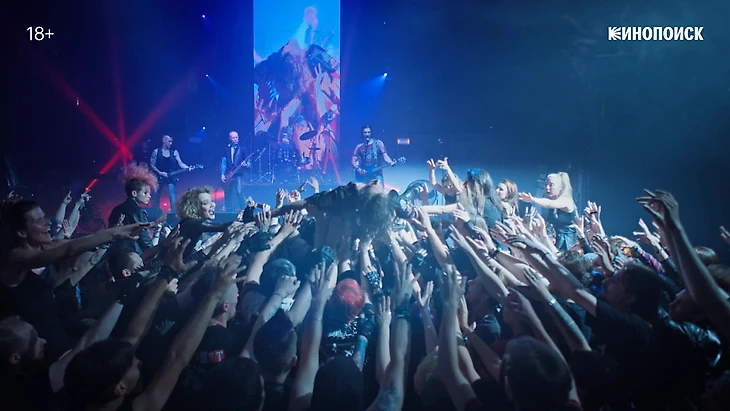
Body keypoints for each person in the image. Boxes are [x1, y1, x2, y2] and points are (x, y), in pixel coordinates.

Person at [108, 162, 159, 252]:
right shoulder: (139, 212)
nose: (149, 196)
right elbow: (146, 244)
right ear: (134, 193)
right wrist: (157, 234)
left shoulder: (116, 209)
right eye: (145, 193)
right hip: (134, 255)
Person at [150, 135, 193, 213]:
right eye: (169, 141)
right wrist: (160, 173)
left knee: (173, 198)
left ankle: (174, 215)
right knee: (156, 198)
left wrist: (188, 167)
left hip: (170, 177)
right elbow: (152, 165)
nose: (171, 143)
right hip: (159, 177)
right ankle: (154, 214)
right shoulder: (156, 152)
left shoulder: (174, 152)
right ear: (164, 141)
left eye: (172, 141)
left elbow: (180, 163)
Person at [220, 131, 250, 212]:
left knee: (239, 191)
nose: (236, 139)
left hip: (238, 174)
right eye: (234, 138)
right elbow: (223, 162)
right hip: (229, 173)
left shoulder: (242, 149)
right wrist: (222, 174)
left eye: (237, 137)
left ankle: (244, 210)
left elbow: (248, 161)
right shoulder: (226, 149)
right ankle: (229, 210)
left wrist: (246, 164)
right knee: (228, 192)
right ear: (230, 138)